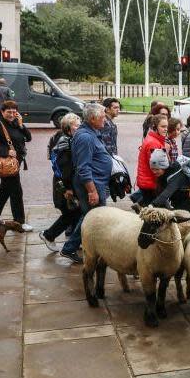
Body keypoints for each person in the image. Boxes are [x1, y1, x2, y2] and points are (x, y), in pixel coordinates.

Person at [60, 103, 112, 263]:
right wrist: (92, 191)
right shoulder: (85, 137)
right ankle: (69, 248)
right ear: (92, 118)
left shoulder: (90, 133)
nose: (106, 119)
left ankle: (92, 248)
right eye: (103, 117)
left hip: (97, 182)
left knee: (92, 216)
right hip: (91, 184)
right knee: (92, 218)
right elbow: (83, 168)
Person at [0, 100, 32, 231]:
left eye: (13, 112)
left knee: (4, 191)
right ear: (2, 112)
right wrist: (6, 151)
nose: (11, 114)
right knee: (16, 191)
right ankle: (19, 223)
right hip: (6, 164)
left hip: (15, 163)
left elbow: (28, 138)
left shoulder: (16, 123)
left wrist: (21, 125)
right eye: (8, 112)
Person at [39, 113, 82, 252]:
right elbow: (65, 168)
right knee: (70, 214)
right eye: (77, 125)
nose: (79, 127)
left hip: (64, 183)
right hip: (63, 185)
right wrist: (68, 188)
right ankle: (49, 235)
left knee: (74, 213)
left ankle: (76, 242)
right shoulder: (65, 142)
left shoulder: (67, 139)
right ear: (69, 127)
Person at [136, 114, 168, 206]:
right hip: (151, 184)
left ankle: (139, 204)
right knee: (155, 214)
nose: (165, 129)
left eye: (166, 126)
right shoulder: (153, 143)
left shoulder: (152, 139)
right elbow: (158, 170)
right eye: (162, 126)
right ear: (154, 127)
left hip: (147, 182)